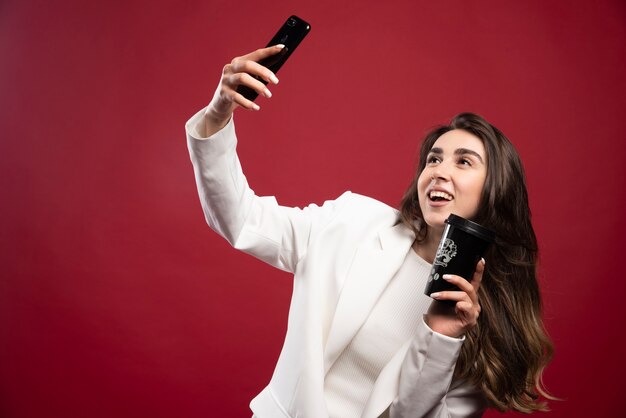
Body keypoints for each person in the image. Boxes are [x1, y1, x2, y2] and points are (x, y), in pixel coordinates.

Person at [186, 45, 554, 418]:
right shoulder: (353, 222)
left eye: (464, 162)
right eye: (434, 158)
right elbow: (241, 219)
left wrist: (443, 335)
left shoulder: (483, 322)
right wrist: (218, 116)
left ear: (496, 188)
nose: (440, 170)